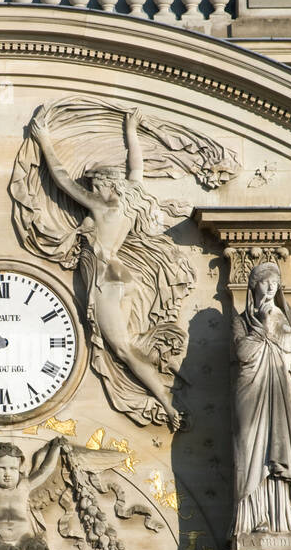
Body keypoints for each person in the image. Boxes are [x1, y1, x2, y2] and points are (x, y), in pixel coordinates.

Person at [29, 107, 186, 430]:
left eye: (95, 184)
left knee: (122, 347)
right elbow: (136, 169)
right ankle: (165, 381)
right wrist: (131, 130)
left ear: (106, 186)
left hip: (104, 275)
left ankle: (167, 402)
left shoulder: (102, 205)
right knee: (127, 342)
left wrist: (44, 141)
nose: (92, 189)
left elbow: (60, 179)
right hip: (121, 274)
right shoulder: (130, 201)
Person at [232, 262, 291, 537]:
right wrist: (263, 325)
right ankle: (255, 518)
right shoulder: (242, 321)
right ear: (253, 286)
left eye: (276, 281)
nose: (271, 286)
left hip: (285, 392)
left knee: (284, 450)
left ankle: (285, 518)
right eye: (265, 281)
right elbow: (243, 354)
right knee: (254, 454)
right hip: (253, 392)